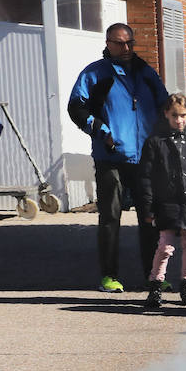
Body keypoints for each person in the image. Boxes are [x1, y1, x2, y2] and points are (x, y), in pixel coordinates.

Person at [67, 23, 169, 294]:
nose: (126, 49)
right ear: (108, 43)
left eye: (130, 43)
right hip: (110, 157)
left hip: (146, 157)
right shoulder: (95, 73)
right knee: (110, 218)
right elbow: (76, 107)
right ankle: (109, 276)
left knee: (150, 219)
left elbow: (165, 105)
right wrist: (101, 131)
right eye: (120, 43)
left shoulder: (146, 72)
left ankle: (154, 276)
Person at [137, 93, 186, 310]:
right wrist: (147, 206)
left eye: (183, 115)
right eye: (174, 115)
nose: (179, 120)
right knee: (165, 247)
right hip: (166, 203)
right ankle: (155, 284)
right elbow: (145, 177)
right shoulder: (155, 142)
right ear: (166, 114)